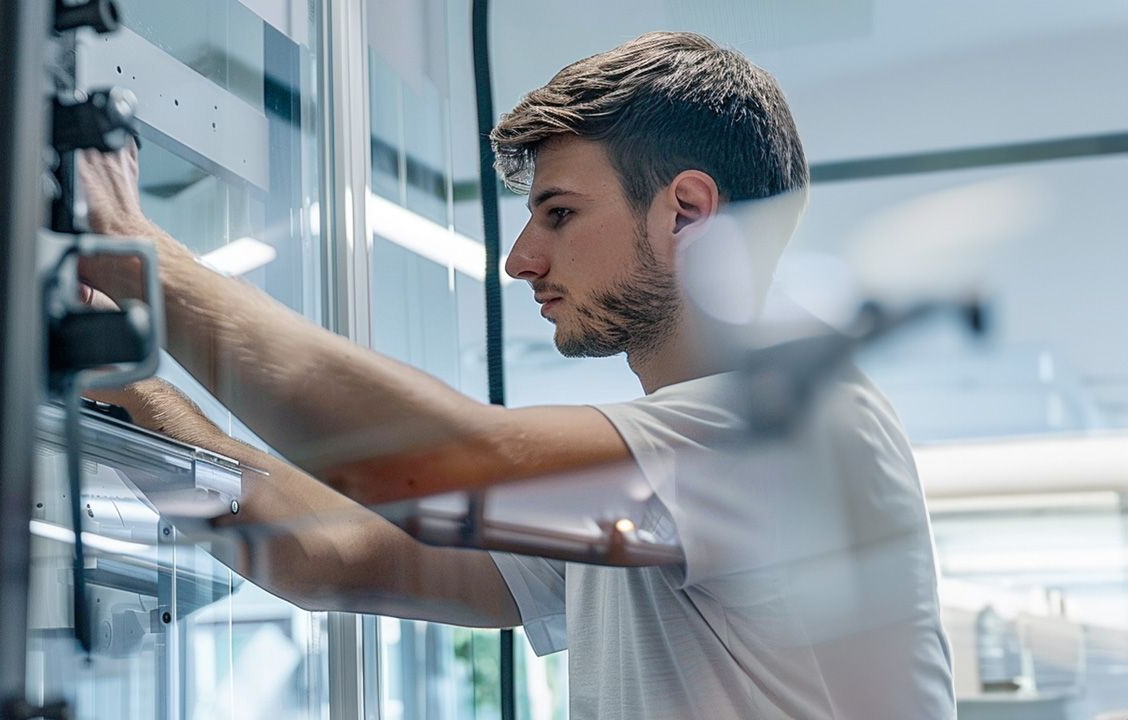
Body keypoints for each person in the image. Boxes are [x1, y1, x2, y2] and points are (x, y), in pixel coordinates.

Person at [80, 31, 955, 719]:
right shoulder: (651, 500)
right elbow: (327, 558)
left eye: (560, 214)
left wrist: (134, 248)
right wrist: (122, 378)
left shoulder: (797, 426)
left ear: (686, 211)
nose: (520, 260)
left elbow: (428, 466)